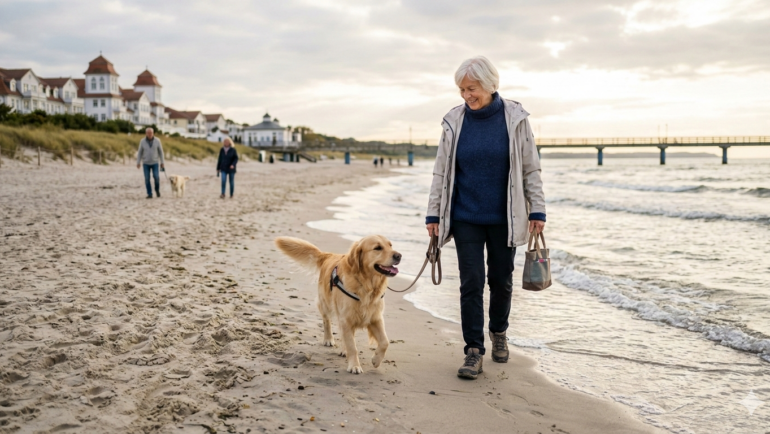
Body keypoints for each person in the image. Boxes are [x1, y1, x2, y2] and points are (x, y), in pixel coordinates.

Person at [425, 56, 546, 380]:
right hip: (465, 216)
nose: (466, 95)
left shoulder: (515, 119)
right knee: (471, 283)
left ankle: (499, 332)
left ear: (491, 85)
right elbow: (441, 172)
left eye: (471, 88)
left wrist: (537, 209)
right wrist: (434, 212)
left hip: (505, 217)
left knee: (501, 281)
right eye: (462, 89)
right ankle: (474, 350)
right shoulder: (454, 121)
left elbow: (531, 167)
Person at [136, 127, 165, 199]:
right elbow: (140, 152)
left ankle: (157, 190)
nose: (149, 134)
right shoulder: (142, 141)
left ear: (153, 133)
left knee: (156, 177)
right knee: (147, 178)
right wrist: (138, 162)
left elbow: (161, 152)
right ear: (146, 133)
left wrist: (162, 162)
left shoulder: (157, 140)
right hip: (146, 163)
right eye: (148, 133)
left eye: (151, 133)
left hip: (155, 162)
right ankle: (149, 194)